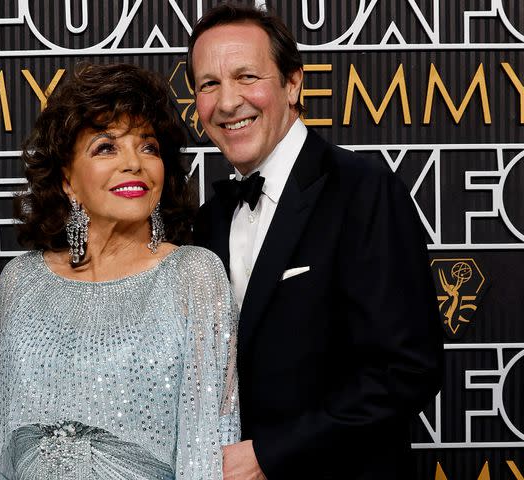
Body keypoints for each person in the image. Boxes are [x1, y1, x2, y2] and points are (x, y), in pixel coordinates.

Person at [188, 5, 443, 479]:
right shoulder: (209, 220)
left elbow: (408, 370)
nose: (226, 102)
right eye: (208, 84)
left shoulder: (362, 189)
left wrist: (269, 454)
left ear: (292, 84)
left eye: (246, 76)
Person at [0, 62, 240, 479]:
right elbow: (4, 449)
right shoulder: (21, 281)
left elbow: (208, 448)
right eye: (106, 147)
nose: (134, 163)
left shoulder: (193, 275)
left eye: (148, 147)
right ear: (68, 178)